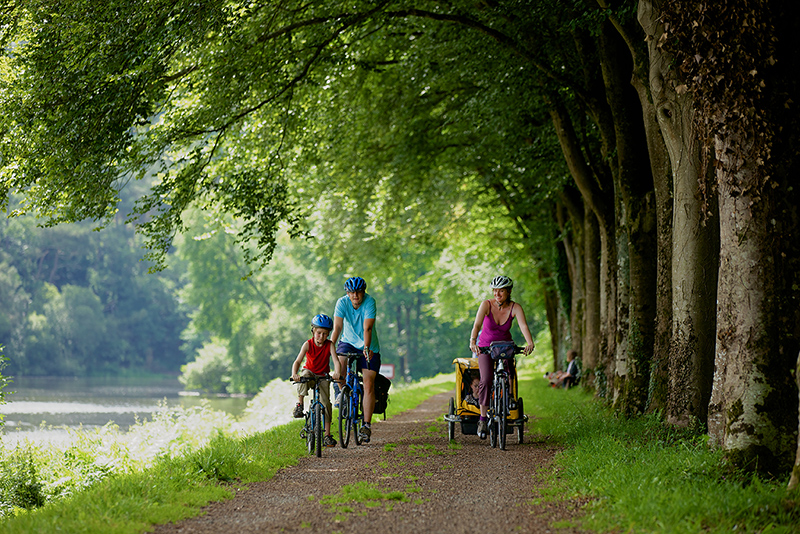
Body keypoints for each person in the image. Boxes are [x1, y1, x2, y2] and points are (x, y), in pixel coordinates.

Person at [468, 275, 535, 439]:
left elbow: (523, 325)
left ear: (509, 291)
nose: (497, 294)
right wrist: (472, 341)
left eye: (501, 291)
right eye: (495, 290)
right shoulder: (486, 305)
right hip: (485, 347)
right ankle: (483, 419)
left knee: (510, 372)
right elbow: (477, 325)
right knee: (486, 379)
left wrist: (530, 343)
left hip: (505, 346)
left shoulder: (515, 307)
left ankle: (509, 398)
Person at [331, 276, 381, 444]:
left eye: (358, 292)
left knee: (368, 384)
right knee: (340, 362)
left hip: (369, 345)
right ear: (347, 293)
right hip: (348, 341)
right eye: (351, 292)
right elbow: (337, 327)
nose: (355, 296)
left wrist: (366, 348)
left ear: (363, 292)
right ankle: (341, 393)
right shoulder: (342, 303)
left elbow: (368, 327)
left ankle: (366, 425)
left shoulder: (370, 302)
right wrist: (330, 346)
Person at [290, 314, 343, 448]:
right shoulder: (308, 344)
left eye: (325, 334)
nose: (321, 337)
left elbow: (336, 361)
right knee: (304, 375)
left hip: (323, 376)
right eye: (319, 333)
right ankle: (299, 405)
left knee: (326, 404)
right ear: (313, 331)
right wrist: (294, 374)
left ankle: (327, 435)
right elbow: (297, 361)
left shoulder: (329, 345)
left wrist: (337, 373)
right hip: (310, 374)